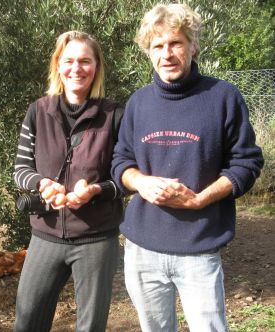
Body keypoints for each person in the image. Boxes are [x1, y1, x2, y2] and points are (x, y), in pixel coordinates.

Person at [111, 3, 264, 332]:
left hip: (199, 247)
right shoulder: (138, 102)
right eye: (157, 45)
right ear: (148, 52)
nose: (167, 53)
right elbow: (121, 161)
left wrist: (201, 199)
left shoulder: (223, 97)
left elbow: (247, 162)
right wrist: (141, 182)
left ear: (193, 46)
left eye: (175, 43)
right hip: (142, 250)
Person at [13, 30, 123, 332]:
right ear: (58, 66)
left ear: (97, 67)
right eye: (69, 60)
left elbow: (125, 178)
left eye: (85, 61)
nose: (77, 68)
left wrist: (96, 190)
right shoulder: (38, 111)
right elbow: (20, 168)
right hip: (45, 236)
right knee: (27, 322)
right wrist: (41, 183)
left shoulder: (114, 116)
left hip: (96, 238)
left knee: (90, 327)